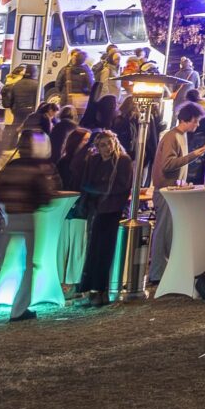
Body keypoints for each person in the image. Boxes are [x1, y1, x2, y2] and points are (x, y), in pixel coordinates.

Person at [0, 130, 58, 321]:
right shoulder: (39, 168)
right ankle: (19, 309)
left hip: (8, 217)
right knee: (29, 265)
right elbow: (46, 195)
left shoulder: (10, 166)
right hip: (28, 216)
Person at [73, 131, 130, 305]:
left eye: (109, 143)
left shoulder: (122, 161)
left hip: (111, 209)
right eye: (102, 145)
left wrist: (99, 190)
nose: (107, 147)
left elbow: (122, 186)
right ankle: (90, 289)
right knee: (92, 249)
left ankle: (100, 289)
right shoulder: (94, 161)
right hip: (96, 209)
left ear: (115, 142)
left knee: (104, 250)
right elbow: (82, 177)